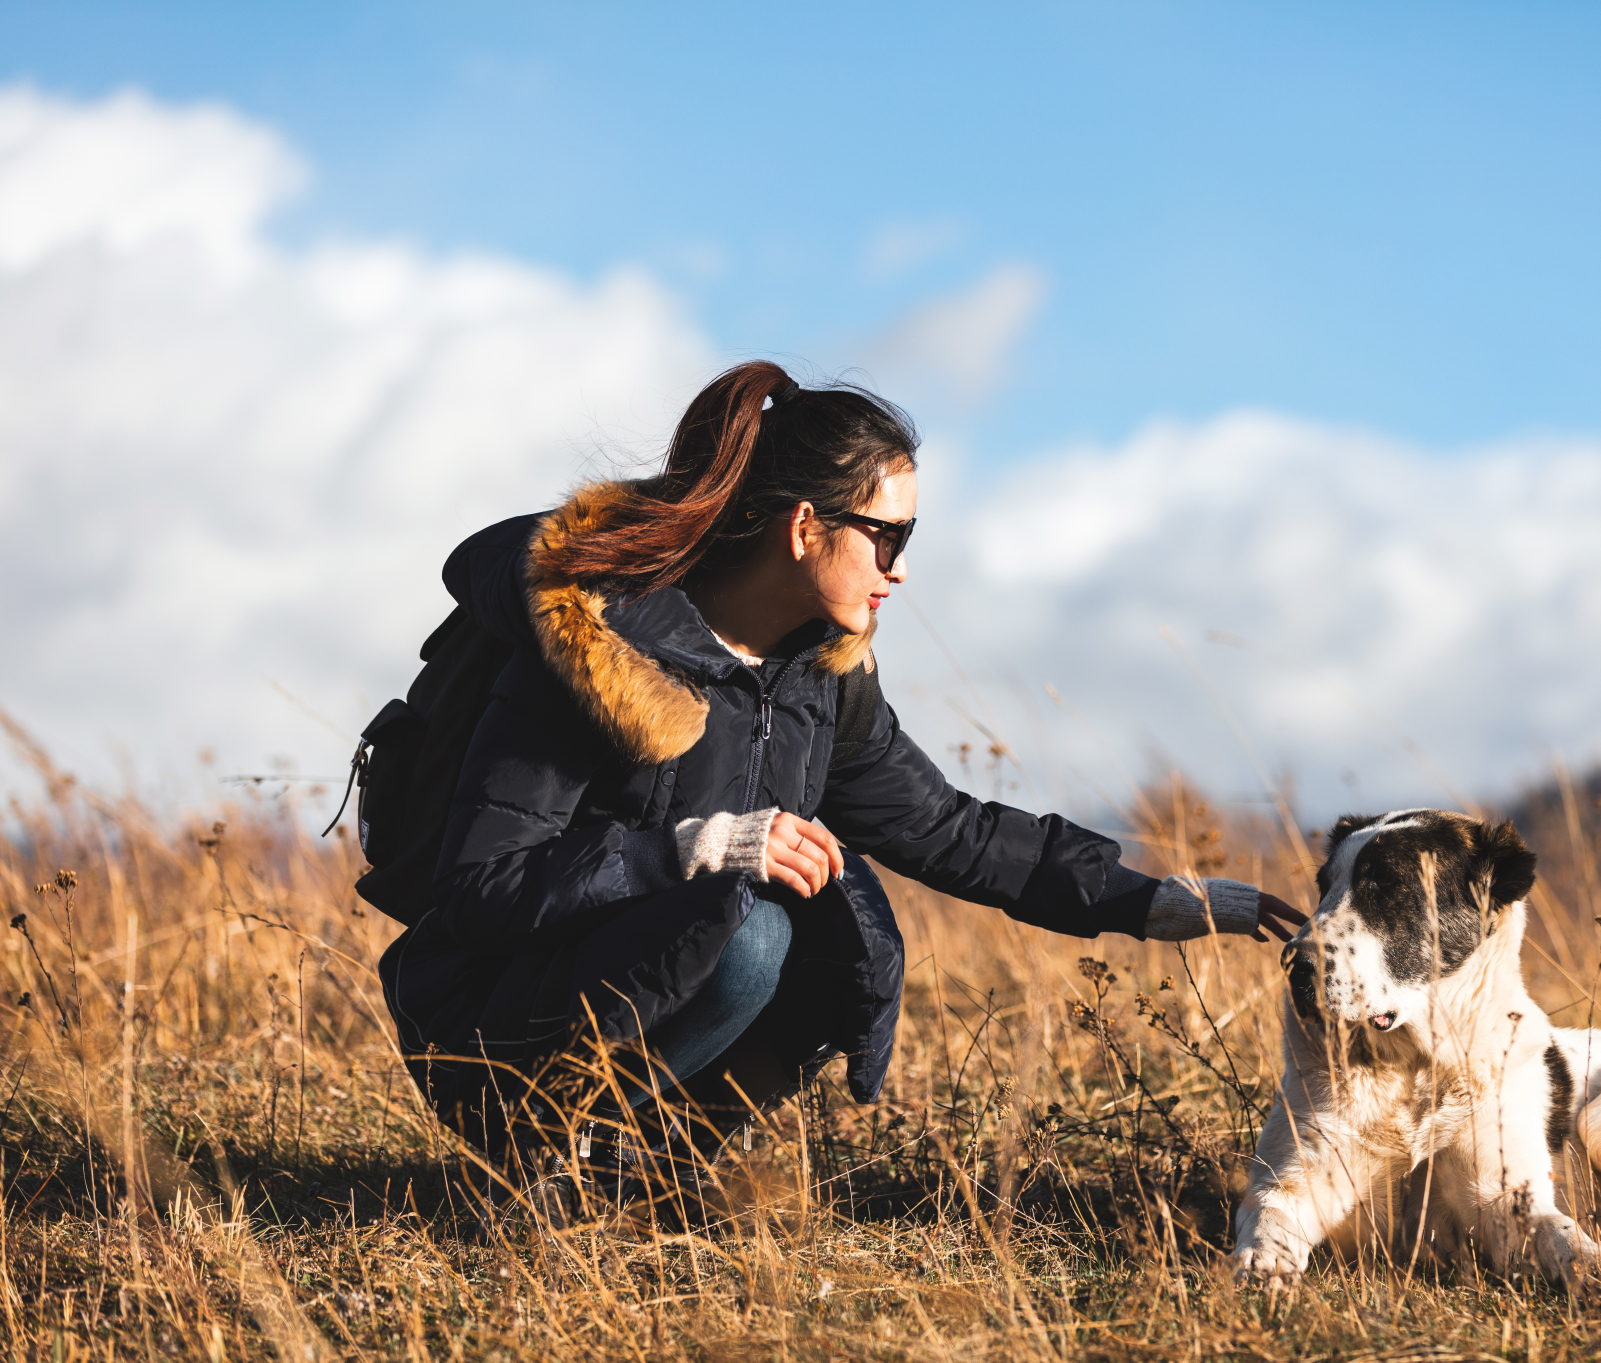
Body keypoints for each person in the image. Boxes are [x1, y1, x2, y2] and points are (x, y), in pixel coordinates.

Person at [377, 360, 1307, 1194]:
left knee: (824, 925)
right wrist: (699, 849)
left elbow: (951, 831)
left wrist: (1154, 900)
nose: (899, 571)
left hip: (634, 987)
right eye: (887, 538)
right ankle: (554, 1148)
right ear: (804, 526)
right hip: (486, 1029)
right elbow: (480, 889)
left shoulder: (817, 680)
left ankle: (636, 1168)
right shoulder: (594, 652)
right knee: (751, 926)